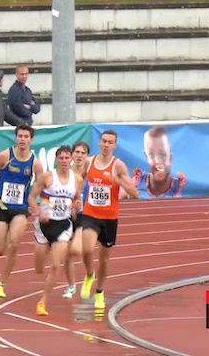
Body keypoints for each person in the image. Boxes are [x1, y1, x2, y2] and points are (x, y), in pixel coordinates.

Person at [0, 123, 44, 298]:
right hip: (1, 207)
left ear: (31, 140)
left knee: (15, 243)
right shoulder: (5, 156)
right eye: (20, 136)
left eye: (26, 137)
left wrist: (37, 204)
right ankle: (5, 239)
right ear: (16, 138)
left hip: (20, 208)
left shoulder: (35, 163)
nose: (22, 139)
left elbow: (41, 185)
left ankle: (1, 284)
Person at [79, 130, 139, 309]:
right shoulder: (89, 162)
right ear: (99, 143)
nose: (106, 145)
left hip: (110, 218)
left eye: (109, 142)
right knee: (87, 249)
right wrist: (75, 196)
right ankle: (89, 274)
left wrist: (116, 180)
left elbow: (134, 193)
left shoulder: (118, 166)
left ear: (115, 145)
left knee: (104, 259)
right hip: (90, 213)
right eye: (103, 141)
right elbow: (80, 178)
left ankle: (99, 291)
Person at [28, 145, 84, 316]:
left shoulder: (78, 180)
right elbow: (31, 197)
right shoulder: (47, 177)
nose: (64, 161)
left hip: (63, 225)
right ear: (56, 160)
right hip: (44, 225)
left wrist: (76, 207)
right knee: (38, 268)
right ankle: (42, 257)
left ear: (71, 160)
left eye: (67, 158)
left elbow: (76, 204)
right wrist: (38, 212)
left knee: (55, 265)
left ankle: (42, 302)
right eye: (61, 158)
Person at [119, 125, 186, 199]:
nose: (157, 161)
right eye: (151, 155)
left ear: (170, 158)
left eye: (163, 155)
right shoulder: (137, 182)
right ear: (146, 156)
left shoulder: (178, 186)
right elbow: (114, 200)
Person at [61, 141, 90, 299]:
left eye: (83, 153)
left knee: (76, 250)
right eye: (77, 152)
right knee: (66, 254)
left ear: (87, 156)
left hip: (85, 216)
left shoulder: (90, 172)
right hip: (66, 215)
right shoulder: (67, 173)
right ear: (72, 155)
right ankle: (71, 286)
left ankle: (89, 274)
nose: (79, 155)